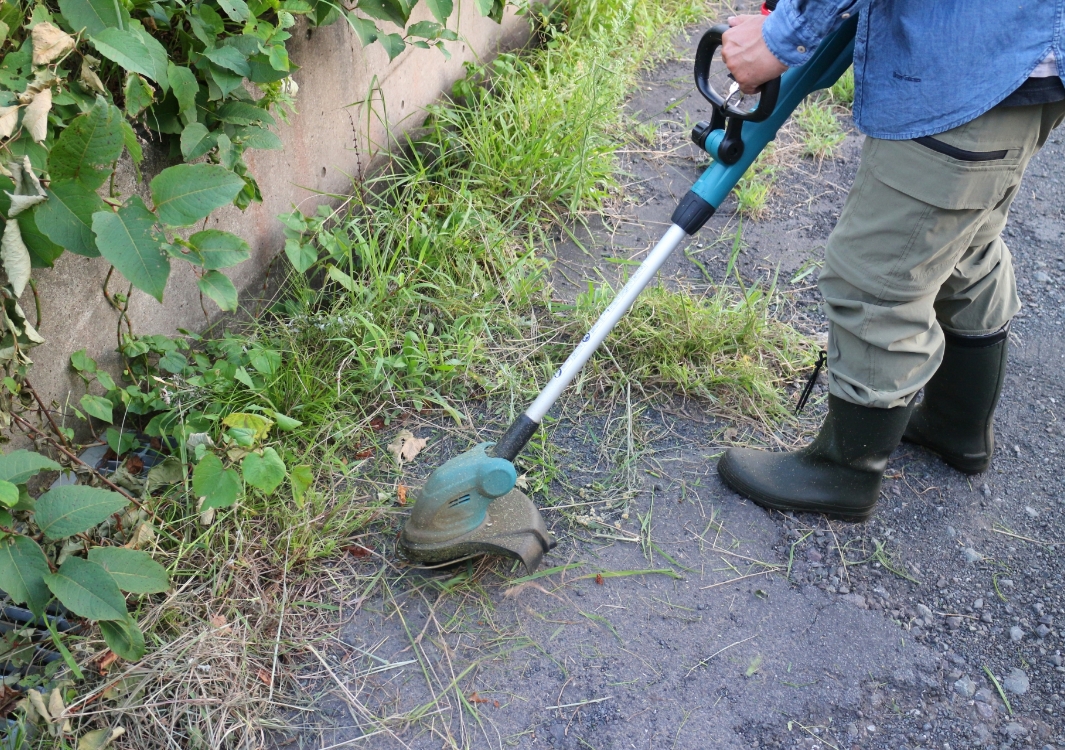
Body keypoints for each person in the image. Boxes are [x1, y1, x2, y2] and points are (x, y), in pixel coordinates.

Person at [715, 1, 1065, 521]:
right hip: (1026, 60)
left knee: (876, 281)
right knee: (963, 247)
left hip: (964, 69)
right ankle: (956, 428)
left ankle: (844, 471)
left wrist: (780, 36)